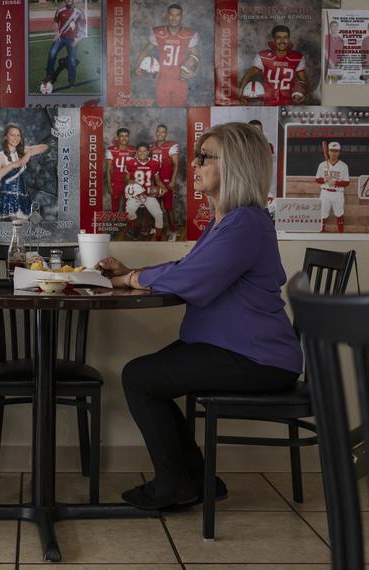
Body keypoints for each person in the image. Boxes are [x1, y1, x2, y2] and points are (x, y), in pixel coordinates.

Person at [96, 122, 302, 510]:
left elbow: (192, 279)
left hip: (257, 357)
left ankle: (176, 483)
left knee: (140, 378)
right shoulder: (228, 222)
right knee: (146, 376)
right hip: (236, 348)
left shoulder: (245, 222)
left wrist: (133, 278)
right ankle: (198, 480)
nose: (195, 164)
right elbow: (189, 266)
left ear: (234, 165)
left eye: (205, 157)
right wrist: (132, 275)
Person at [134, 4, 200, 107]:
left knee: (178, 108)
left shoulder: (189, 34)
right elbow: (145, 50)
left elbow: (195, 56)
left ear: (181, 16)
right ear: (167, 15)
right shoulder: (158, 32)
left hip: (180, 80)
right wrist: (137, 67)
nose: (174, 18)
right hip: (162, 80)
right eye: (171, 14)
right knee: (162, 106)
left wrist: (195, 72)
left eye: (177, 15)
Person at [238, 25, 309, 106]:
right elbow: (249, 74)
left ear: (289, 40)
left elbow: (304, 80)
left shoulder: (297, 57)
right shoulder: (264, 56)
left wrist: (306, 94)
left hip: (290, 104)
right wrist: (240, 92)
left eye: (285, 37)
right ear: (274, 40)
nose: (282, 41)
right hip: (268, 103)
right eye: (279, 37)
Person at [0, 123, 49, 220]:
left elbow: (45, 147)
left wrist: (29, 153)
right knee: (20, 229)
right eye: (12, 135)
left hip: (24, 198)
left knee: (35, 226)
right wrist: (14, 164)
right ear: (6, 137)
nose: (16, 138)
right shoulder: (0, 156)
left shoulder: (22, 151)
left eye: (18, 135)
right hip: (10, 199)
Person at [124, 142, 167, 239]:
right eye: (140, 151)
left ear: (148, 152)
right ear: (137, 152)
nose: (142, 153)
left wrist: (164, 188)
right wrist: (129, 180)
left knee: (159, 214)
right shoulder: (130, 163)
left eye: (144, 151)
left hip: (148, 193)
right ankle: (138, 225)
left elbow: (157, 180)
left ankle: (158, 238)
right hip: (135, 193)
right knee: (129, 212)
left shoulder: (154, 163)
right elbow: (126, 178)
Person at [42, 0, 85, 91]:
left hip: (73, 39)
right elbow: (55, 22)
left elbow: (83, 25)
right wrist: (56, 32)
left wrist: (79, 39)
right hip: (61, 38)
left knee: (72, 60)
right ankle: (49, 76)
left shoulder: (79, 11)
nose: (69, 0)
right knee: (52, 54)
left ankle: (71, 81)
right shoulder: (60, 10)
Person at [150, 124, 179, 238]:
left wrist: (172, 181)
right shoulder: (150, 146)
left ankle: (173, 231)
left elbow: (176, 165)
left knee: (168, 208)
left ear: (166, 134)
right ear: (156, 132)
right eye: (158, 131)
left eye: (163, 132)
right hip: (153, 181)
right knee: (154, 207)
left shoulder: (171, 146)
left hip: (166, 182)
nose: (160, 134)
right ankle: (155, 228)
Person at [315, 141, 350, 233]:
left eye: (336, 151)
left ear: (339, 152)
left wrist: (335, 183)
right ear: (328, 152)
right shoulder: (322, 165)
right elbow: (317, 179)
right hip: (325, 193)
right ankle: (321, 233)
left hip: (338, 194)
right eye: (332, 151)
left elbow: (346, 182)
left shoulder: (344, 166)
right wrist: (326, 180)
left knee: (339, 214)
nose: (334, 153)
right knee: (323, 214)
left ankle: (341, 234)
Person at [105, 127, 135, 213]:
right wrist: (109, 185)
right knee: (115, 205)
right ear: (118, 138)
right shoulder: (111, 150)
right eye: (122, 136)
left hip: (128, 181)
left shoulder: (133, 150)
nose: (124, 138)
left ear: (128, 137)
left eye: (126, 136)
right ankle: (115, 224)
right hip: (116, 181)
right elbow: (108, 169)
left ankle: (127, 225)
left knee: (129, 204)